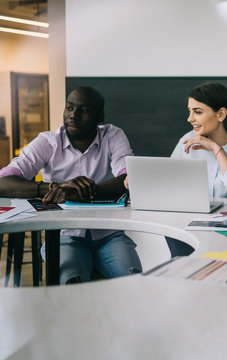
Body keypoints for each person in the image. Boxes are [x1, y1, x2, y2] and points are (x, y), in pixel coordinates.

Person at [0, 86, 142, 284]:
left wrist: (80, 193)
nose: (73, 115)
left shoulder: (113, 135)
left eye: (83, 110)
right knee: (71, 284)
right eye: (69, 108)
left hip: (109, 235)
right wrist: (53, 189)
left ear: (99, 117)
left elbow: (129, 177)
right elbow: (3, 182)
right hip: (64, 237)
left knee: (135, 281)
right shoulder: (48, 142)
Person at [165, 82, 227, 256]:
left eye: (197, 112)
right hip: (192, 223)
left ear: (221, 114)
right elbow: (168, 183)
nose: (190, 119)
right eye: (190, 111)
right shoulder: (188, 140)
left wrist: (216, 148)